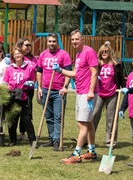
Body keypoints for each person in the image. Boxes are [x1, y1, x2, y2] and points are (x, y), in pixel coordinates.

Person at [53, 30, 98, 164]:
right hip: (80, 91)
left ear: (83, 39)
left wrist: (90, 91)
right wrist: (60, 70)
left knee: (82, 124)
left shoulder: (89, 52)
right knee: (88, 123)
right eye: (72, 39)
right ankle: (91, 151)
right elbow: (75, 73)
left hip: (87, 93)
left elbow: (94, 72)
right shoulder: (78, 54)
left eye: (77, 39)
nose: (74, 41)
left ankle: (76, 154)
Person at [36, 33, 72, 150]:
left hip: (59, 91)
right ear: (47, 42)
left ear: (57, 42)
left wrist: (65, 86)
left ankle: (57, 140)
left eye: (54, 41)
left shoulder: (64, 55)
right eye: (50, 41)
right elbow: (39, 71)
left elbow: (68, 72)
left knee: (58, 117)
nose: (52, 43)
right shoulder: (43, 55)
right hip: (46, 90)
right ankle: (51, 139)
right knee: (48, 117)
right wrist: (40, 87)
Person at [91, 44, 125, 147]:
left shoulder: (116, 65)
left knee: (111, 117)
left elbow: (121, 78)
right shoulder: (97, 64)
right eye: (102, 52)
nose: (104, 53)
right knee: (95, 114)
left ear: (110, 52)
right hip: (100, 93)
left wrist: (124, 88)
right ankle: (89, 138)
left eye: (106, 51)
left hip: (112, 93)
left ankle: (110, 140)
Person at [2, 47, 36, 147]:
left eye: (19, 53)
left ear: (22, 55)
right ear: (13, 56)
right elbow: (5, 82)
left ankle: (32, 140)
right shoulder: (9, 68)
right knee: (12, 118)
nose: (17, 55)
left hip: (23, 96)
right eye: (15, 54)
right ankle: (12, 140)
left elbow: (32, 81)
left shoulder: (29, 67)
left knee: (26, 119)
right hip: (12, 96)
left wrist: (30, 84)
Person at [16, 37, 38, 141]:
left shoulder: (33, 58)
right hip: (17, 89)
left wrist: (34, 83)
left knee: (27, 110)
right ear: (20, 46)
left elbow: (37, 71)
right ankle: (12, 134)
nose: (29, 47)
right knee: (16, 110)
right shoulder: (17, 56)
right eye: (26, 45)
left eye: (30, 45)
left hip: (29, 89)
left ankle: (22, 133)